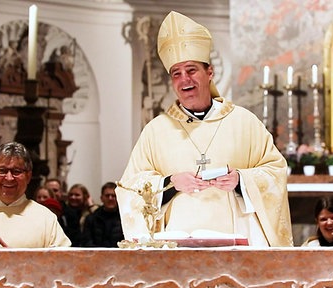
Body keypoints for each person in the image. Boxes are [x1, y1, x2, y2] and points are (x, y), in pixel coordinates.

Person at [115, 11, 293, 247]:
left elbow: (276, 172)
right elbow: (130, 187)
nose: (184, 80)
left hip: (236, 239)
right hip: (175, 242)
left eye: (191, 70)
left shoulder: (244, 122)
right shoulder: (155, 131)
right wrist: (170, 183)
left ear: (209, 73)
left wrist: (240, 180)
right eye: (176, 74)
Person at [81, 182, 124, 247]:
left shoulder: (125, 220)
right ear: (101, 198)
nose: (110, 198)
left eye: (113, 196)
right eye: (107, 195)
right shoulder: (91, 219)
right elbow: (87, 242)